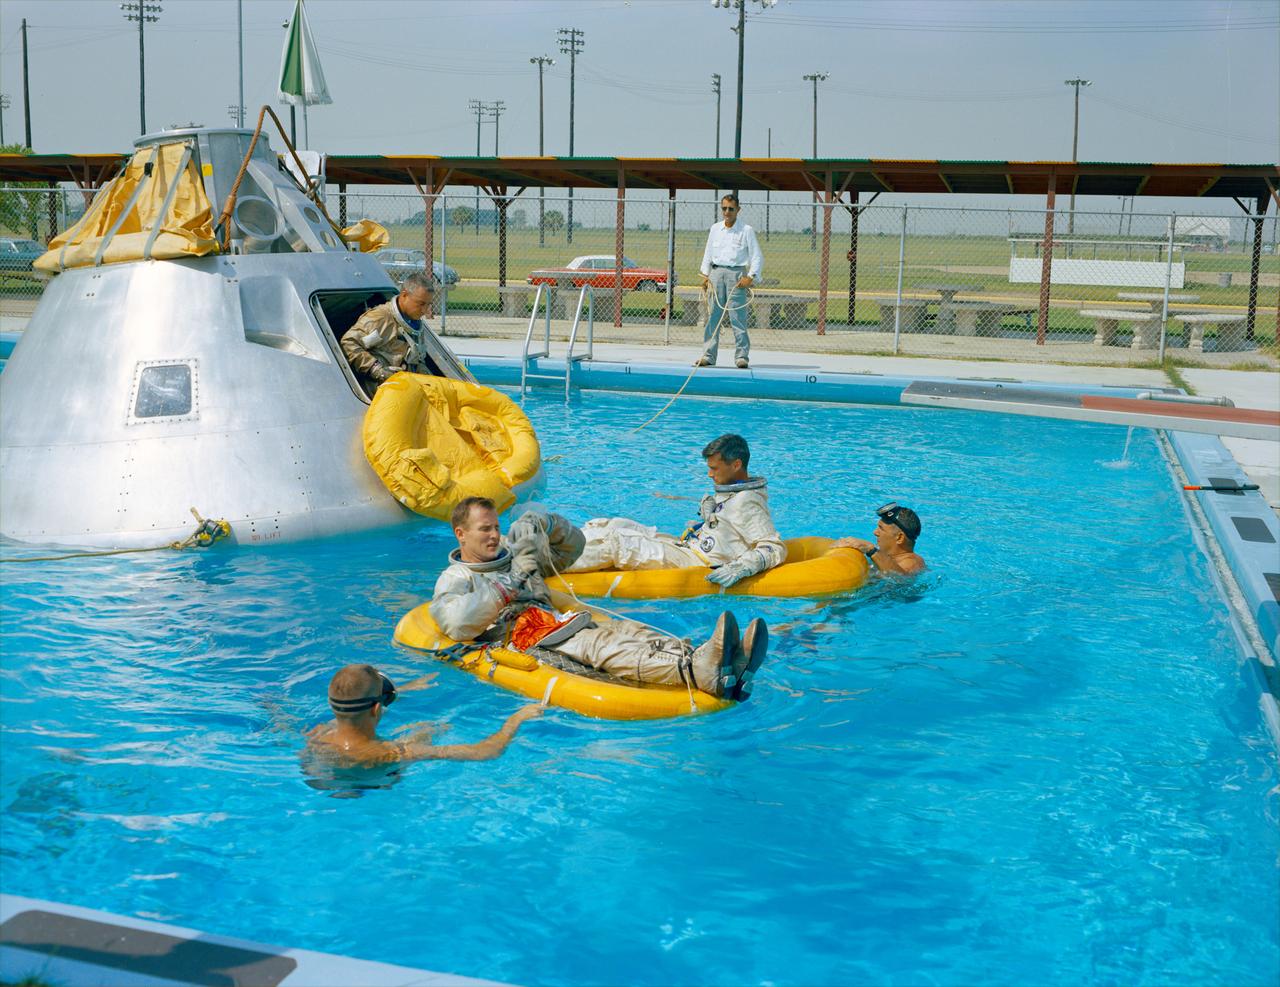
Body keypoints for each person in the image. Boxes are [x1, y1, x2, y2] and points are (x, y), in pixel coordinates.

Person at [430, 497, 770, 701]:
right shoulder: (455, 578)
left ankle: (719, 663)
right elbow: (459, 624)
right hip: (524, 637)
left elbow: (572, 549)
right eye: (484, 529)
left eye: (495, 526)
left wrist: (548, 524)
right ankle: (694, 672)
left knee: (630, 633)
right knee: (602, 647)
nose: (493, 534)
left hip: (556, 624)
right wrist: (512, 579)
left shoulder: (516, 554)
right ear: (461, 534)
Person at [567, 434, 786, 589]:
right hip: (685, 547)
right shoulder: (732, 495)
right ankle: (554, 545)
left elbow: (773, 546)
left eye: (714, 468)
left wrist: (742, 567)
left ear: (736, 464)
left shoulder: (746, 502)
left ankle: (547, 564)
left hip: (697, 562)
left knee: (618, 543)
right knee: (615, 524)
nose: (709, 474)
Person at [306, 663, 542, 763]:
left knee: (420, 731)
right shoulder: (394, 753)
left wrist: (406, 689)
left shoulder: (318, 735)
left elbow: (356, 709)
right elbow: (485, 752)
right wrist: (517, 718)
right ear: (377, 708)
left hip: (340, 780)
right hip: (376, 783)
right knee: (429, 730)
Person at [340, 271, 436, 397]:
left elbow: (416, 360)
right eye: (421, 304)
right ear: (404, 295)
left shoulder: (413, 323)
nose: (425, 310)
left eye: (428, 304)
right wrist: (377, 370)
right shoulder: (381, 318)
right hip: (382, 393)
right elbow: (349, 343)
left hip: (405, 389)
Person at [697, 193, 764, 369]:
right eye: (724, 208)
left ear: (738, 210)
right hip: (716, 274)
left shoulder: (746, 230)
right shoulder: (715, 229)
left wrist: (750, 277)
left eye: (731, 209)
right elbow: (708, 253)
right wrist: (705, 275)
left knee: (738, 318)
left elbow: (756, 256)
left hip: (737, 277)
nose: (727, 212)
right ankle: (708, 355)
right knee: (713, 317)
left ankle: (742, 356)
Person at [834, 502, 926, 576]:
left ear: (899, 538)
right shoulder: (886, 557)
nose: (875, 532)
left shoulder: (914, 562)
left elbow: (900, 578)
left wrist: (871, 549)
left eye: (881, 528)